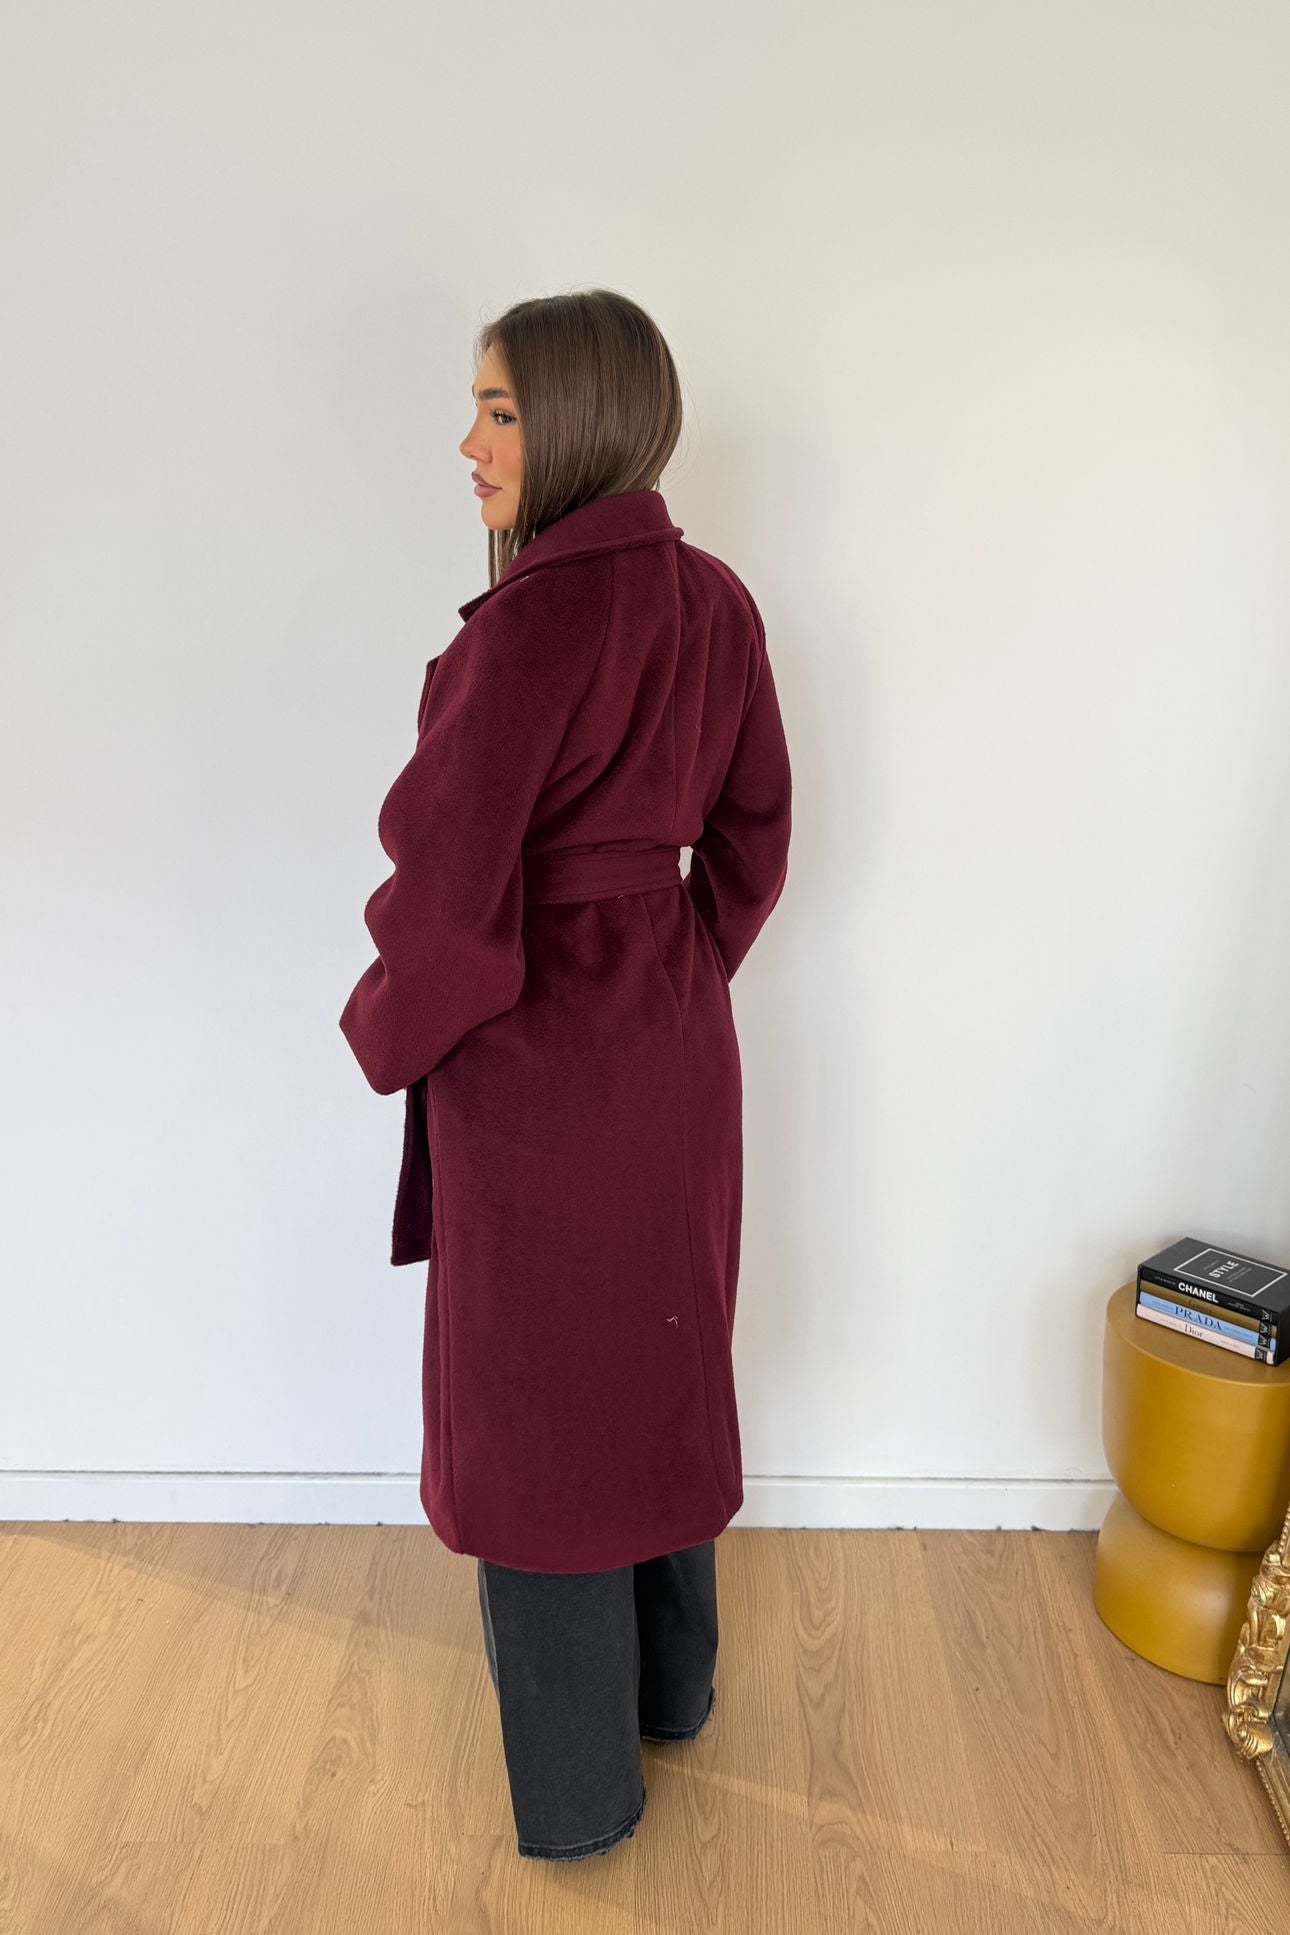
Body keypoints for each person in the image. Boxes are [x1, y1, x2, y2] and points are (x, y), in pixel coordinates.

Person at [339, 288, 792, 1861]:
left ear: (585, 421)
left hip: (534, 1070)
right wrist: (671, 970)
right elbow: (753, 837)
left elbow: (447, 894)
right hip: (672, 1052)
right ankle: (672, 1697)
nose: (469, 444)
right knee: (651, 1369)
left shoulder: (525, 628)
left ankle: (584, 1798)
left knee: (533, 1419)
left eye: (502, 411)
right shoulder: (716, 602)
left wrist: (386, 1027)